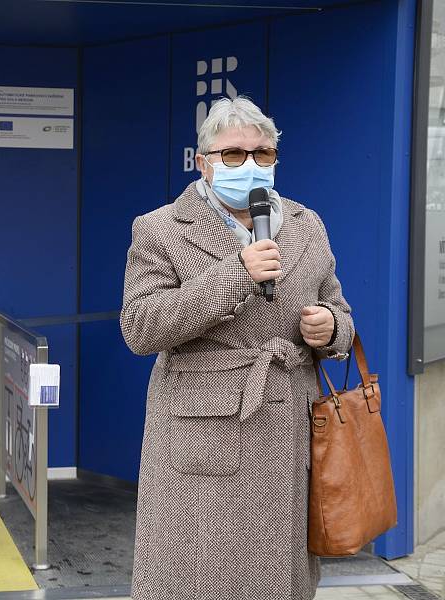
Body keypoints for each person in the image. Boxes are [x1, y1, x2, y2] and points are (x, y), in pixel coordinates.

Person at [119, 96, 354, 600]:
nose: (249, 164)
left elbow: (341, 311)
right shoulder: (159, 228)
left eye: (262, 153)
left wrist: (330, 328)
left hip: (289, 428)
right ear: (204, 163)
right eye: (232, 155)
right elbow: (139, 327)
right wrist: (235, 275)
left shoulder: (305, 223)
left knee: (279, 579)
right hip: (202, 435)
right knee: (196, 576)